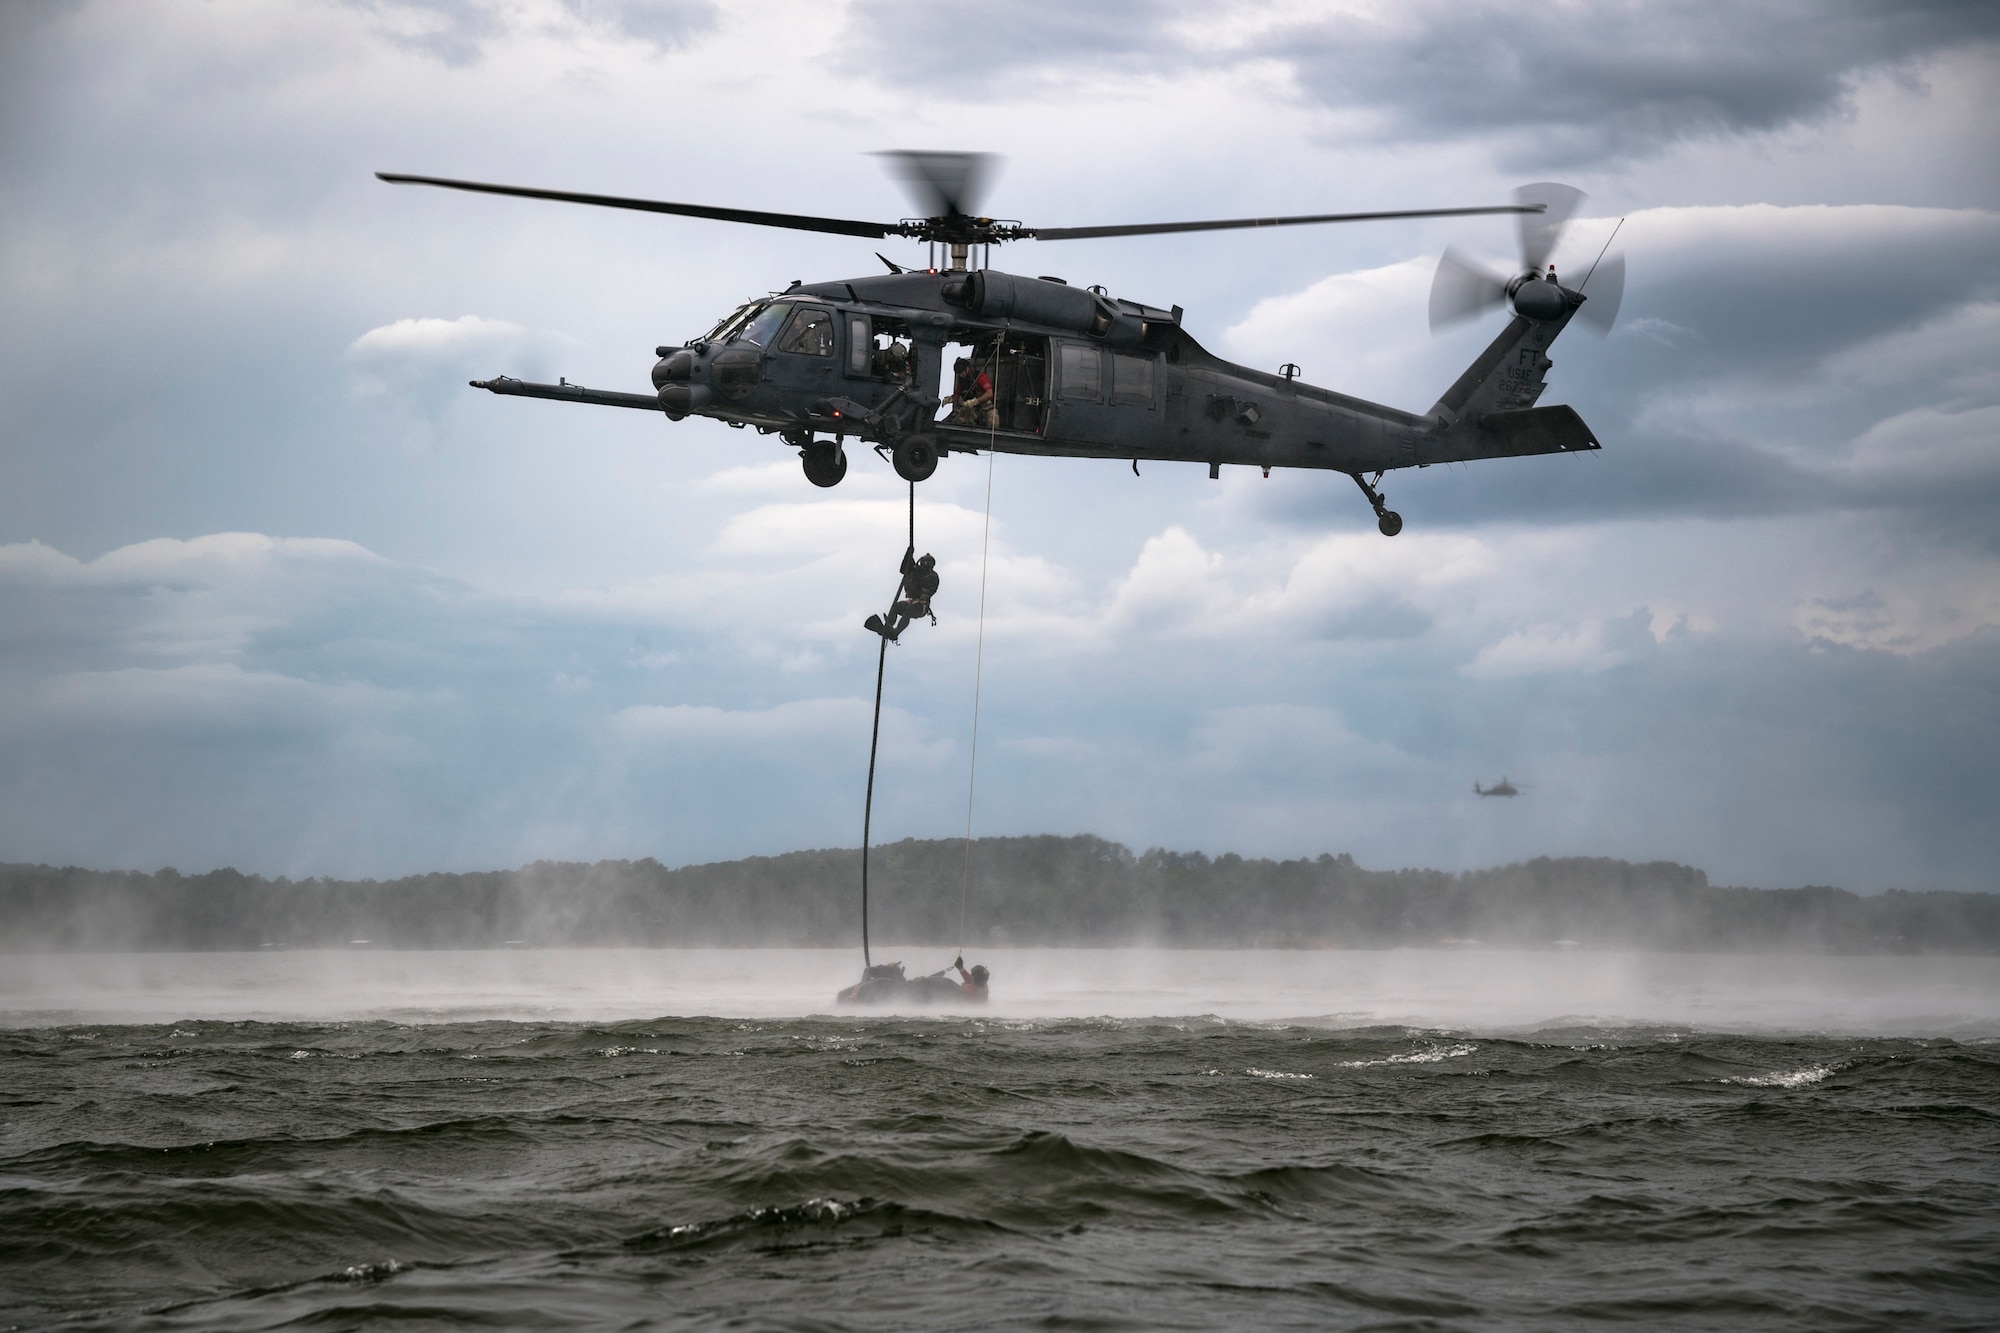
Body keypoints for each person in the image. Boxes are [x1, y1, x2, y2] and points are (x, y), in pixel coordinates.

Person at [864, 549, 940, 642]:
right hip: (910, 601)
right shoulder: (916, 571)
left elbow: (920, 583)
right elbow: (904, 569)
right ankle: (888, 627)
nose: (927, 564)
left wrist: (913, 567)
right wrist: (908, 554)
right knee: (896, 607)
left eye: (929, 563)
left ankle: (896, 632)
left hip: (921, 605)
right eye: (925, 562)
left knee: (909, 611)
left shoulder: (933, 576)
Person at [943, 356, 996, 429]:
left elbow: (989, 393)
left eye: (962, 372)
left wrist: (975, 401)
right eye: (959, 373)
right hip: (972, 410)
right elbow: (956, 396)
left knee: (993, 423)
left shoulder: (979, 377)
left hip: (986, 408)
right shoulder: (961, 382)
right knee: (959, 421)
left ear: (967, 369)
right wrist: (950, 399)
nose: (961, 375)